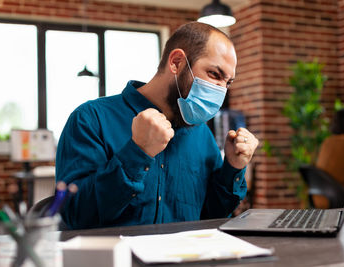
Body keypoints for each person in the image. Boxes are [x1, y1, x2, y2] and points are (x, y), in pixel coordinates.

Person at [56, 22, 259, 230]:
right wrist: (136, 153)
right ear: (177, 62)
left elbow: (212, 216)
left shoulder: (201, 134)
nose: (221, 90)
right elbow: (75, 215)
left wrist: (233, 167)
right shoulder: (90, 119)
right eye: (215, 75)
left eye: (228, 82)